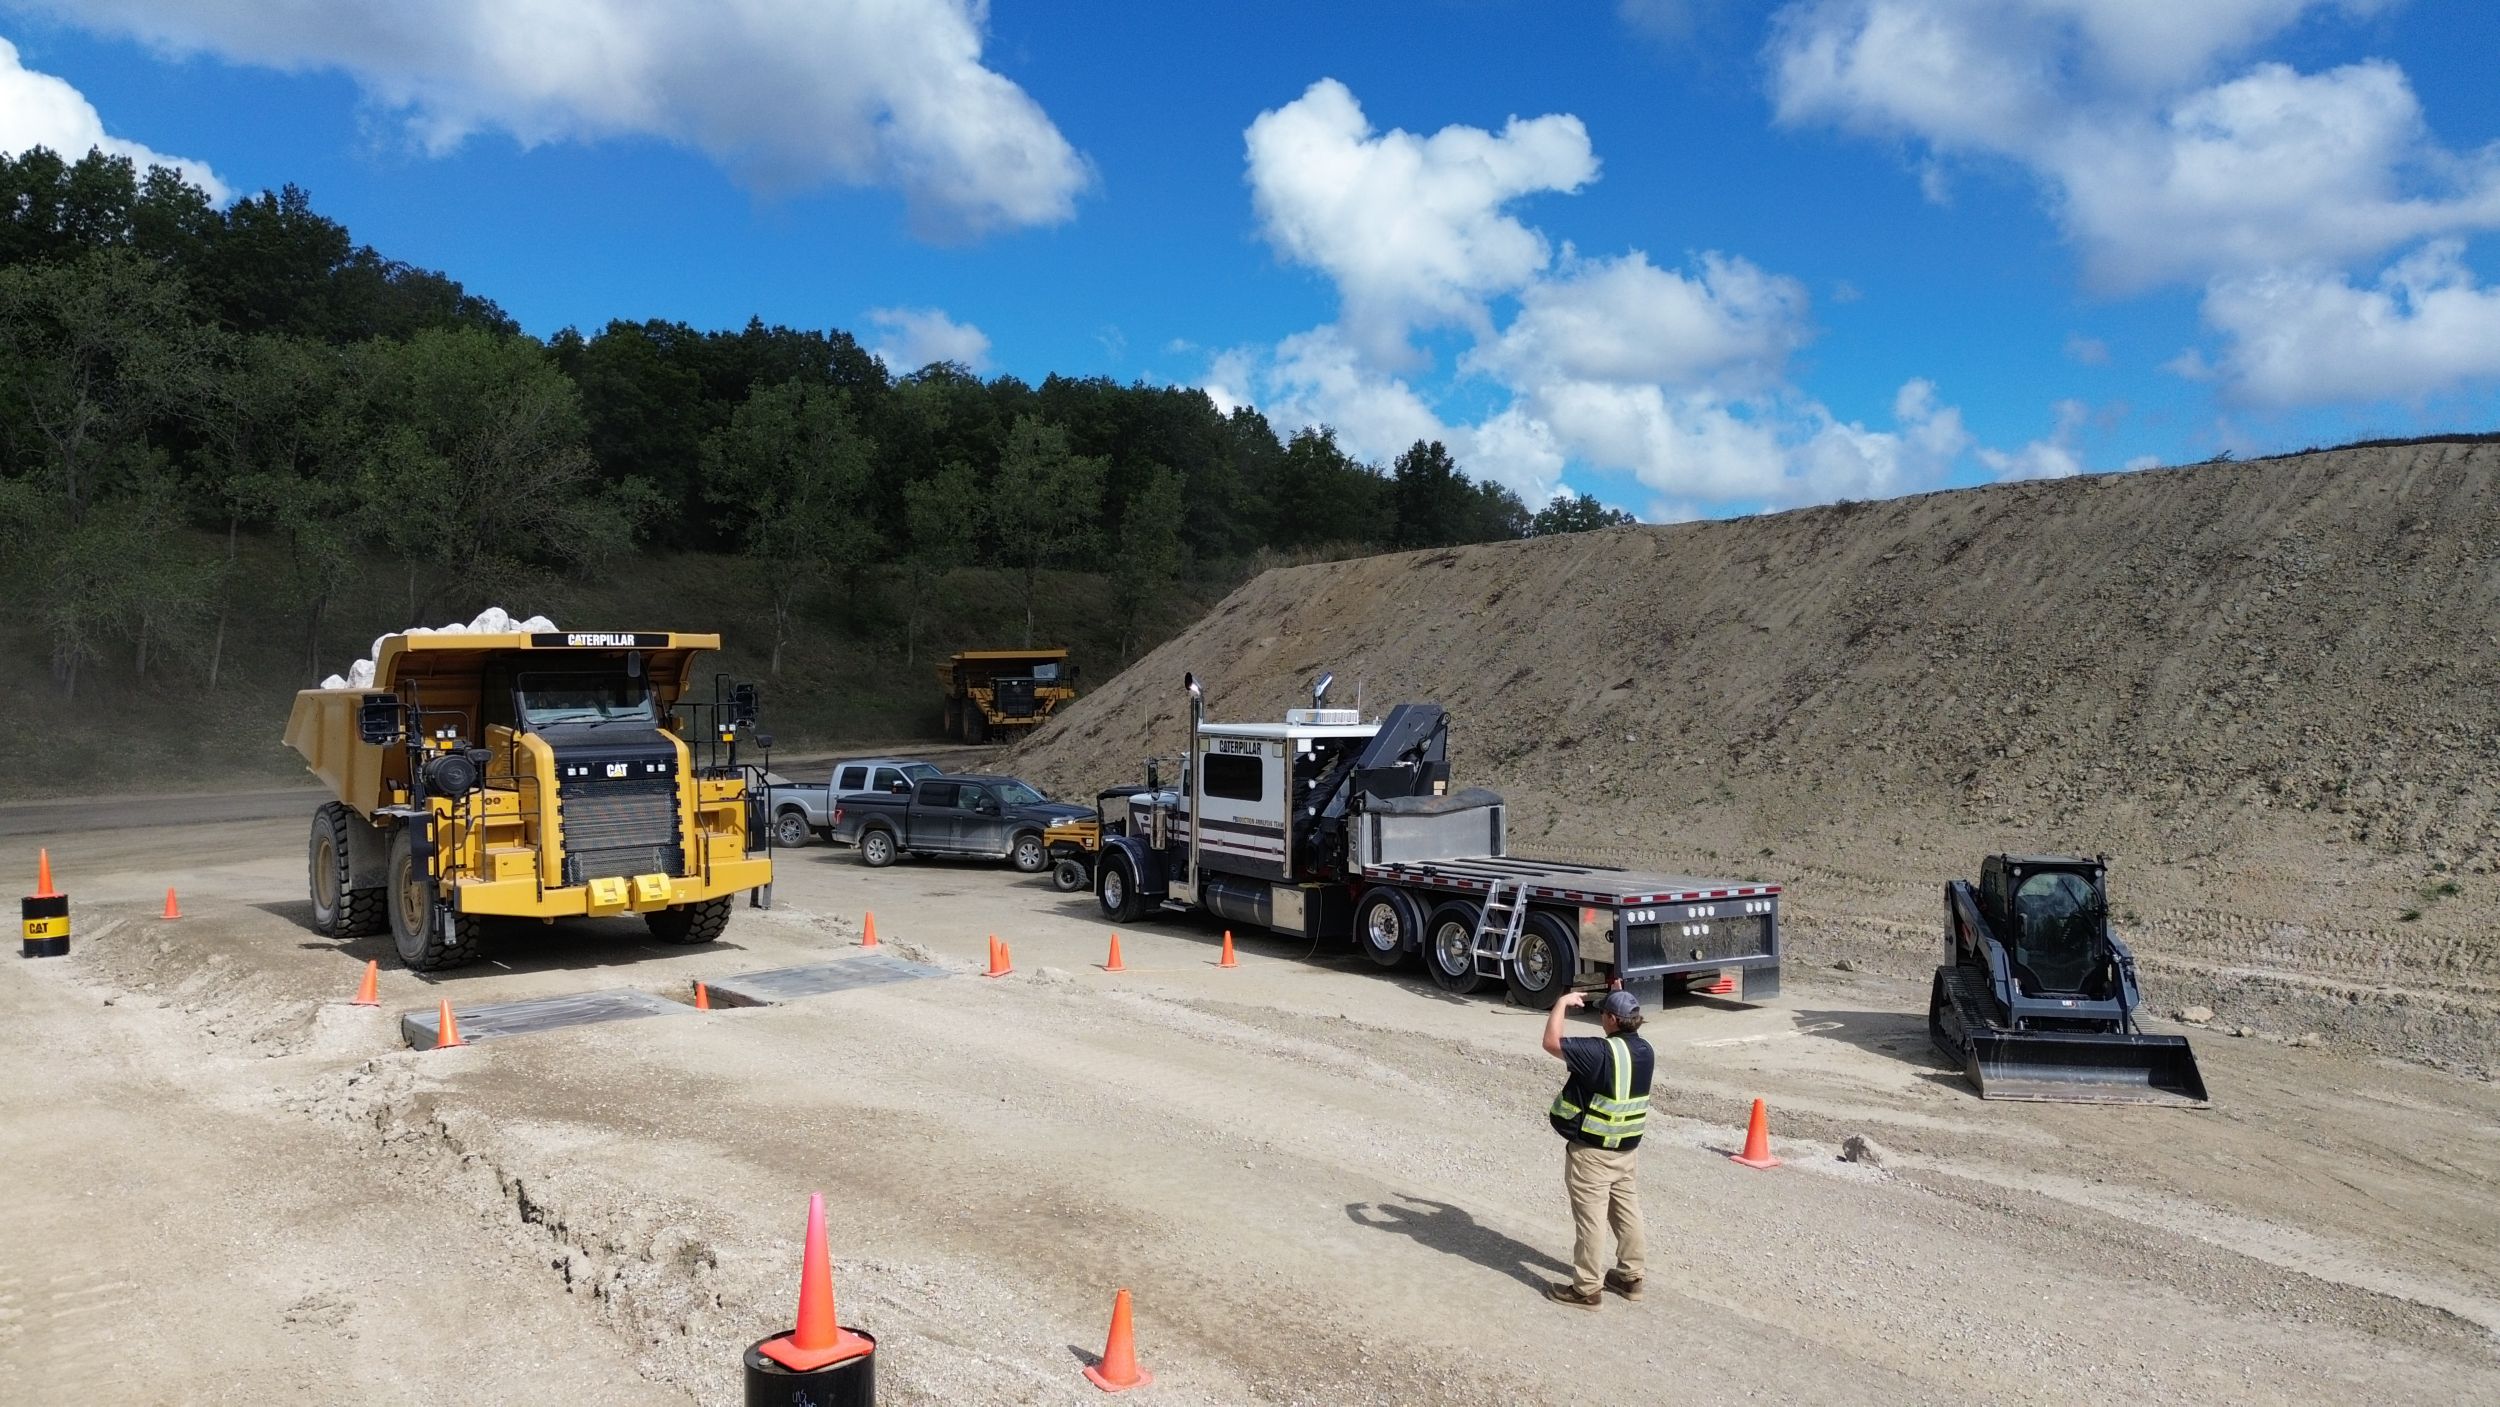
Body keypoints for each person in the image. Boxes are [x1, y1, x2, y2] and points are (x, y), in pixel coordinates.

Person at [1540, 987, 1652, 1309]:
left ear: (1612, 1019)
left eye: (1603, 1013)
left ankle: (1587, 1288)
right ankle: (1632, 1277)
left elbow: (1551, 1042)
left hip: (1592, 1153)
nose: (1600, 1018)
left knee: (1591, 1220)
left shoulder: (1599, 1052)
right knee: (1627, 1212)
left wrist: (1561, 1003)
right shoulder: (1645, 1051)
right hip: (1625, 1151)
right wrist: (1622, 994)